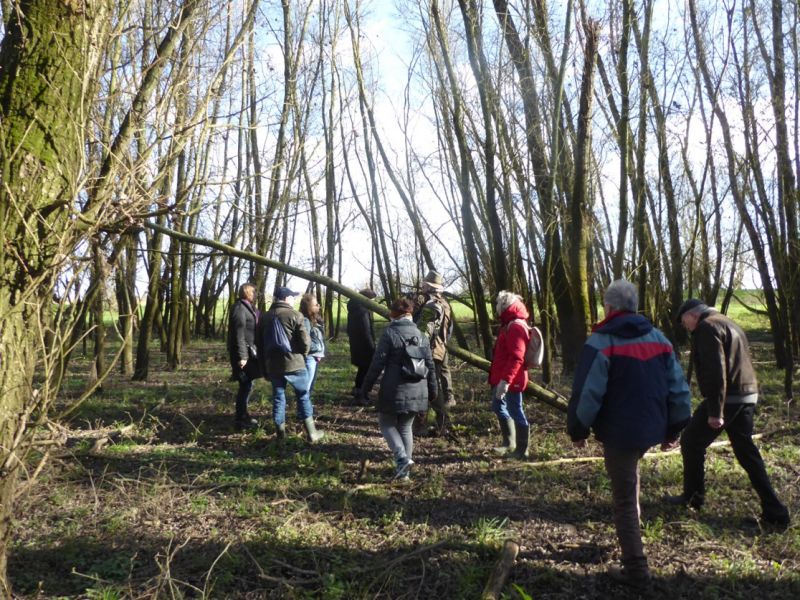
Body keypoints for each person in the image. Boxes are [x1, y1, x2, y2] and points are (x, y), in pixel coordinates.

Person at [568, 280, 691, 588]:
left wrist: (578, 429)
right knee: (629, 485)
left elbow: (587, 395)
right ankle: (630, 540)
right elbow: (678, 390)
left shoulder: (600, 342)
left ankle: (636, 568)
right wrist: (674, 427)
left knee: (623, 498)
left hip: (620, 433)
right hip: (648, 429)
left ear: (609, 308)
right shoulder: (660, 339)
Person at [665, 299, 790, 528]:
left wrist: (715, 411)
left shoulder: (707, 327)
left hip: (728, 397)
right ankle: (775, 510)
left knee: (691, 440)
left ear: (693, 315)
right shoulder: (728, 322)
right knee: (745, 451)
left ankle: (692, 498)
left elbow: (716, 370)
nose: (686, 327)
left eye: (684, 322)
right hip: (747, 394)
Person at [361, 298, 437, 481]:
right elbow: (431, 365)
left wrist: (365, 388)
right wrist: (433, 390)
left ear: (393, 314)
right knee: (405, 426)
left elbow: (376, 364)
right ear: (410, 314)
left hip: (394, 389)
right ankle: (404, 474)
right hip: (418, 390)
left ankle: (402, 458)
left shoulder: (389, 334)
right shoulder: (421, 335)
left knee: (385, 423)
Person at [262, 286, 324, 443]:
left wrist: (264, 367)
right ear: (287, 298)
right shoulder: (296, 315)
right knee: (303, 396)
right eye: (293, 297)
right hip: (295, 363)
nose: (295, 299)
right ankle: (312, 433)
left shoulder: (265, 317)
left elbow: (259, 343)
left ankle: (280, 435)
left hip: (273, 365)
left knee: (278, 397)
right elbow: (305, 342)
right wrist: (302, 356)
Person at [488, 290, 534, 458]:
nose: (496, 308)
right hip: (503, 376)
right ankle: (509, 443)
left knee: (515, 410)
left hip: (511, 378)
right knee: (498, 406)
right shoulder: (508, 324)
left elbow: (517, 358)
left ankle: (522, 450)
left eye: (497, 304)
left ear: (504, 304)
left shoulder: (515, 326)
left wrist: (505, 381)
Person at [413, 270, 455, 435]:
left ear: (429, 286)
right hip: (439, 349)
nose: (421, 286)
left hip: (428, 350)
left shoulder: (431, 306)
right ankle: (441, 422)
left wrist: (416, 348)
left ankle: (429, 424)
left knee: (426, 387)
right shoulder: (444, 303)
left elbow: (423, 332)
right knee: (431, 386)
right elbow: (449, 330)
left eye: (424, 284)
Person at [227, 282, 262, 431]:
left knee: (248, 385)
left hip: (249, 352)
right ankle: (240, 419)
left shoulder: (249, 308)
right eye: (253, 292)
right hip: (242, 354)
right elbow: (238, 334)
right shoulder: (240, 308)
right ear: (247, 292)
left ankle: (243, 415)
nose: (255, 295)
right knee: (245, 385)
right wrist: (242, 357)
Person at [347, 288, 377, 403]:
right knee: (366, 370)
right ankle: (361, 394)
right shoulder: (362, 311)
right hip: (365, 347)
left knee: (362, 369)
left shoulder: (354, 308)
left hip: (356, 345)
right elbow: (366, 332)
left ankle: (358, 390)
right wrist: (372, 347)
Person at [300, 292, 325, 397]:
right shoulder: (305, 321)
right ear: (309, 307)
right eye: (316, 304)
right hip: (310, 357)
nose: (318, 306)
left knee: (310, 386)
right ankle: (304, 411)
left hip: (314, 357)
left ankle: (306, 408)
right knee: (306, 387)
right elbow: (305, 340)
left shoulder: (316, 319)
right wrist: (316, 349)